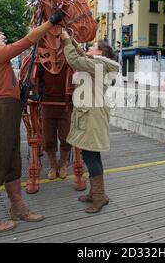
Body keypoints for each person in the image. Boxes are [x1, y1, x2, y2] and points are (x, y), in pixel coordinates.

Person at [0, 11, 64, 232]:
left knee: (13, 164)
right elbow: (28, 41)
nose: (2, 34)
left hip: (10, 112)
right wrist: (50, 22)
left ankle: (18, 209)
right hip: (3, 113)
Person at [61, 30, 120, 213]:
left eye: (94, 47)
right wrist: (71, 40)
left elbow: (75, 60)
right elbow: (81, 54)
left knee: (89, 155)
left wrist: (65, 42)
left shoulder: (97, 65)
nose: (90, 47)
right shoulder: (99, 63)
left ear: (100, 53)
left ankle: (99, 197)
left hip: (92, 115)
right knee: (92, 154)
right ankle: (95, 192)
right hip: (92, 113)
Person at [40, 64, 72, 180]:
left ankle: (63, 164)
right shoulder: (41, 61)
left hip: (66, 104)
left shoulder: (69, 59)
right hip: (46, 103)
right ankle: (53, 166)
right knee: (48, 139)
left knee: (66, 137)